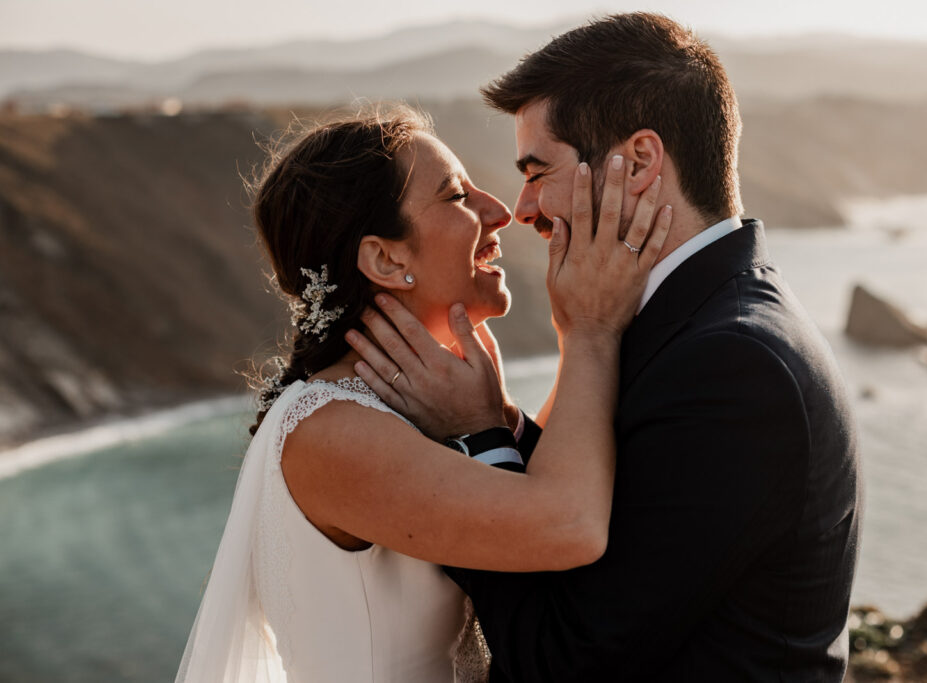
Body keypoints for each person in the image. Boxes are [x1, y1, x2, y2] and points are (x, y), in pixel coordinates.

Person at [354, 13, 863, 682]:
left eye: (538, 171)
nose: (525, 207)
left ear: (641, 162)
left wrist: (476, 436)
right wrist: (505, 420)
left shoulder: (735, 365)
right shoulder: (692, 325)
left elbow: (564, 658)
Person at [174, 107, 671, 683]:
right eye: (458, 196)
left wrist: (497, 412)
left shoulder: (416, 408)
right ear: (386, 258)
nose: (501, 211)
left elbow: (546, 487)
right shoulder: (329, 433)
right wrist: (589, 330)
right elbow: (570, 526)